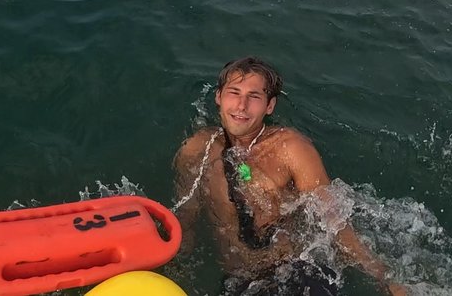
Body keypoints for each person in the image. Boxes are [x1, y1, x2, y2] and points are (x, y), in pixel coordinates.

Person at [174, 57, 409, 296]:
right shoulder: (197, 149)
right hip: (241, 282)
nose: (241, 105)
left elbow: (332, 218)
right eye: (234, 92)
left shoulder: (291, 149)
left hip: (295, 273)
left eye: (254, 96)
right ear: (218, 97)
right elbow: (186, 218)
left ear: (270, 106)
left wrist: (384, 277)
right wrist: (174, 269)